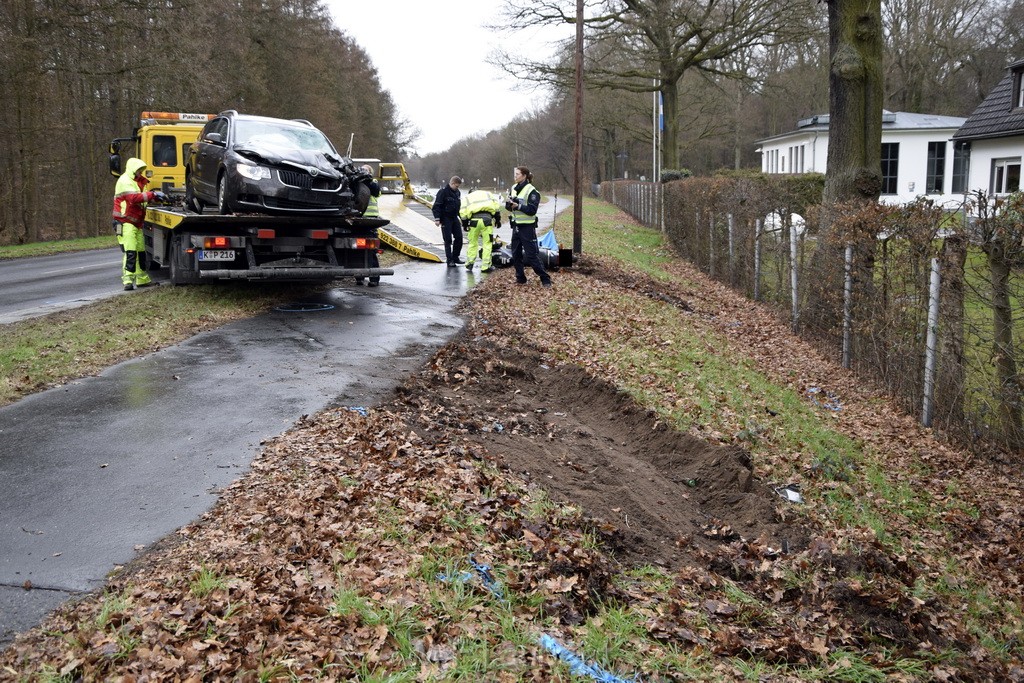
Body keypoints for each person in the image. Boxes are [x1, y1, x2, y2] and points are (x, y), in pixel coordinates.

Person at [112, 157, 166, 290]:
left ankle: (142, 279)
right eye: (138, 170)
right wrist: (152, 194)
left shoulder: (138, 182)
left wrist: (157, 198)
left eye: (141, 170)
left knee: (141, 252)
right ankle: (128, 281)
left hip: (135, 223)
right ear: (132, 170)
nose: (140, 172)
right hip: (124, 222)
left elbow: (143, 201)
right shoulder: (125, 181)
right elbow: (134, 198)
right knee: (130, 251)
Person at [505, 166, 552, 287]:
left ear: (524, 176)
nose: (515, 176)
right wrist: (509, 204)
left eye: (517, 174)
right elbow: (508, 207)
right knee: (516, 254)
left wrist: (518, 206)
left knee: (532, 255)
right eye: (514, 174)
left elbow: (532, 210)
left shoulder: (532, 191)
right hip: (516, 226)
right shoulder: (513, 188)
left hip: (527, 228)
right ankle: (520, 278)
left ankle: (545, 279)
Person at [460, 189, 501, 273]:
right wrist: (497, 220)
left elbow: (463, 213)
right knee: (487, 243)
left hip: (474, 221)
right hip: (487, 220)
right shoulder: (488, 194)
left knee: (472, 242)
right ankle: (485, 266)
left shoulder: (468, 197)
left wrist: (465, 225)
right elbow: (496, 208)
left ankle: (469, 263)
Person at [356, 164, 381, 287]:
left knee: (370, 250)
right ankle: (359, 277)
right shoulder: (356, 181)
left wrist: (368, 180)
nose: (364, 171)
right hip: (358, 218)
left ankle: (374, 278)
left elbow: (376, 192)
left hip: (371, 219)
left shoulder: (373, 182)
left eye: (367, 170)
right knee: (357, 247)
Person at [432, 176, 464, 267]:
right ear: (452, 183)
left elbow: (458, 207)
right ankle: (449, 260)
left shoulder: (457, 193)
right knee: (448, 240)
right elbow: (437, 206)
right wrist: (437, 219)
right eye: (456, 186)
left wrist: (461, 218)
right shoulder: (443, 192)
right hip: (445, 218)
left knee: (459, 238)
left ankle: (455, 257)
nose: (457, 188)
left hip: (454, 217)